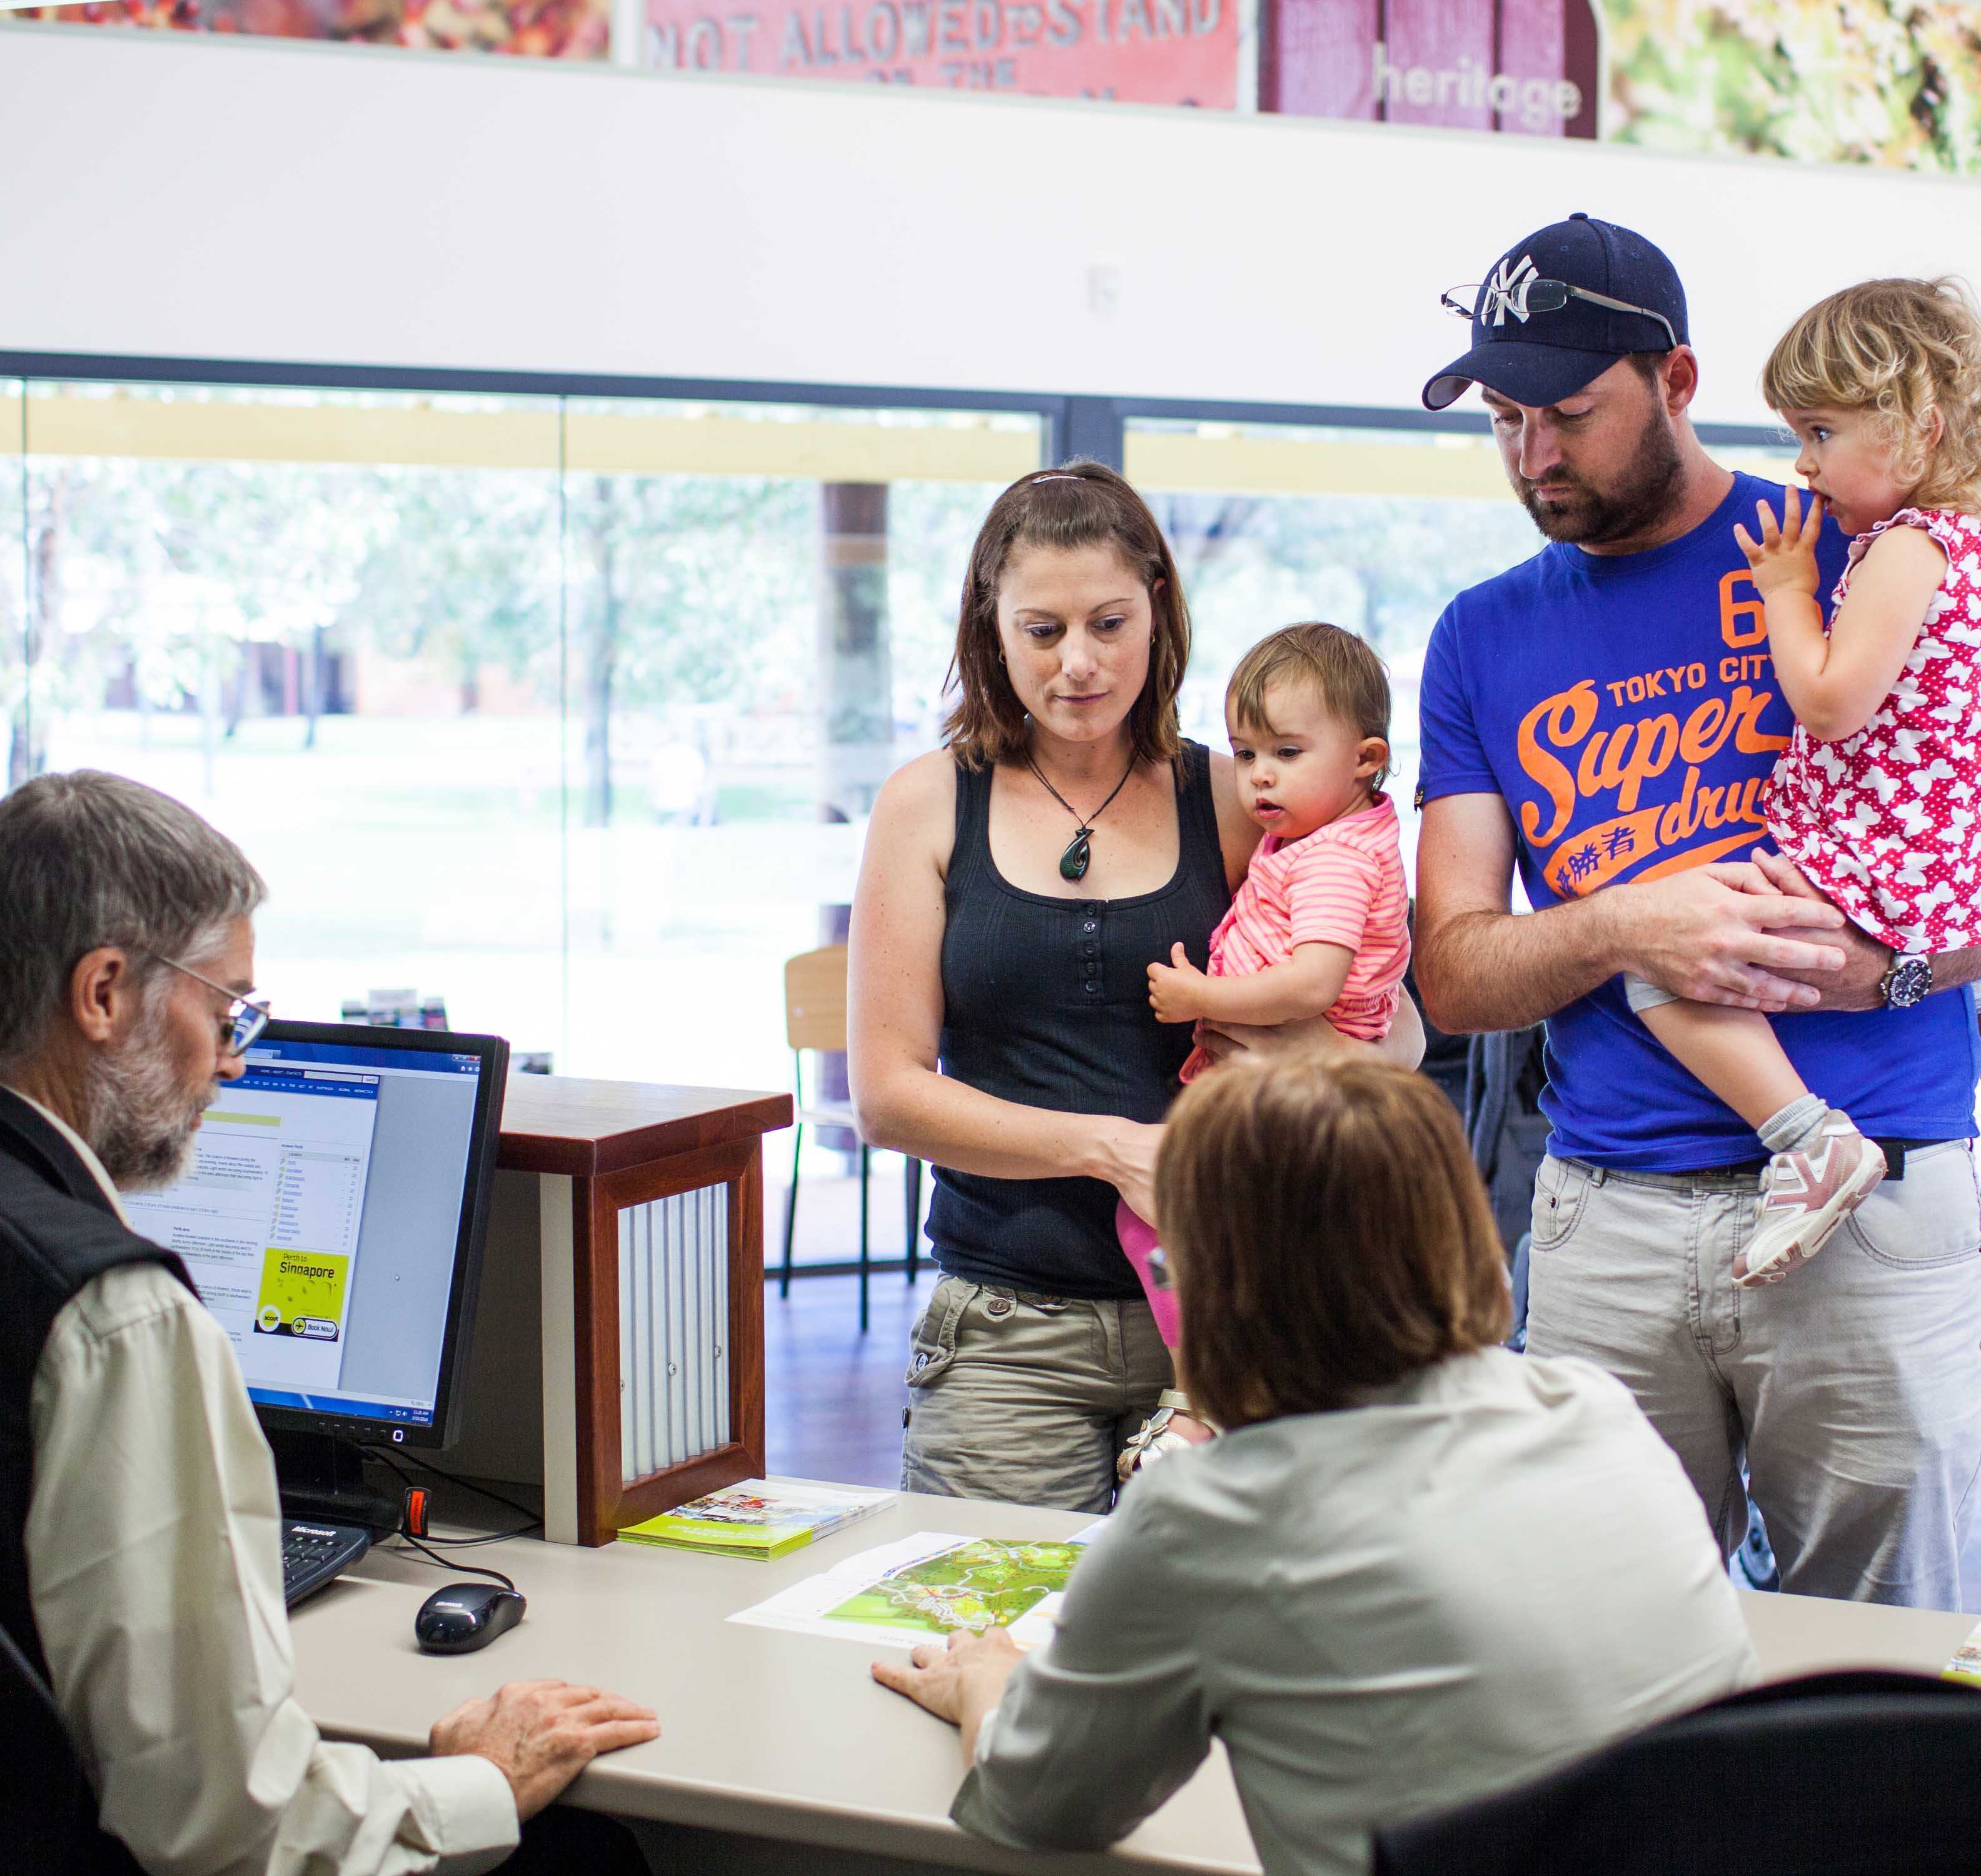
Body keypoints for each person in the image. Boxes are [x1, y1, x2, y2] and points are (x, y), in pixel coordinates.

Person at [1412, 213, 1981, 1608]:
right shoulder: (1481, 635)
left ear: (1675, 383)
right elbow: (1456, 974)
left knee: (1889, 1684)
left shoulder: (1858, 548)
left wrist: (1893, 973)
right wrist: (1627, 926)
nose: (1533, 454)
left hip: (1884, 1202)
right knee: (1598, 1661)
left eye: (1569, 413)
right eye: (1503, 418)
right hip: (1607, 1223)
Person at [0, 770, 660, 1875]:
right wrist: (477, 1783)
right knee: (590, 1857)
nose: (238, 1057)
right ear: (104, 994)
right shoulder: (113, 1314)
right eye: (227, 1009)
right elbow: (227, 1821)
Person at [870, 1054, 1757, 1876]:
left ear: (1206, 1286)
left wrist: (990, 1685)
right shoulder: (1592, 1410)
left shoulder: (1211, 1513)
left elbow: (1036, 1809)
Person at [849, 463, 1424, 1515]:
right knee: (999, 1650)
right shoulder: (928, 804)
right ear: (993, 628)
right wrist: (1115, 1151)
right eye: (1043, 630)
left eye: (1110, 623)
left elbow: (1397, 1033)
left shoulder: (1242, 795)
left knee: (1239, 1661)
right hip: (1006, 1338)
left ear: (1159, 607)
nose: (1080, 663)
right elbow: (887, 1095)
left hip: (1242, 1321)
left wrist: (1312, 1054)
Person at [1623, 278, 1981, 1288]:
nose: (1804, 463)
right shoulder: (1963, 547)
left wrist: (1786, 590)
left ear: (1920, 426)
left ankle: (1811, 1141)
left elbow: (1829, 702)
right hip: (1932, 858)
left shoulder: (1910, 547)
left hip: (1879, 853)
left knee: (1658, 957)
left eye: (1821, 431)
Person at [1116, 621, 1410, 1465]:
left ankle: (1207, 1394)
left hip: (1290, 1086)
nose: (1259, 778)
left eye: (1285, 751)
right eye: (1246, 755)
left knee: (1183, 1227)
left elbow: (1313, 984)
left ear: (1365, 758)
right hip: (1277, 1080)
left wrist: (1202, 997)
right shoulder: (1319, 838)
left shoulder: (1335, 861)